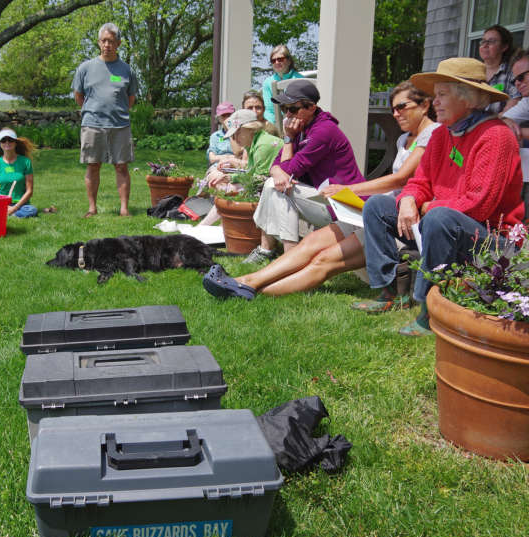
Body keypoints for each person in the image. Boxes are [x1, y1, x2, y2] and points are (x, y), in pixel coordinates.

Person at [202, 82, 440, 301]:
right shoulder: (405, 139)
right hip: (374, 212)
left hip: (387, 219)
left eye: (402, 107)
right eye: (393, 108)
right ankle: (243, 282)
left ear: (425, 105)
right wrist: (287, 142)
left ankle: (248, 289)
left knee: (323, 261)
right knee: (311, 242)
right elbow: (280, 167)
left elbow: (401, 179)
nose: (288, 116)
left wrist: (347, 188)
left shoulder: (433, 134)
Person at [353, 57, 524, 336]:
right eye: (436, 95)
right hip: (441, 223)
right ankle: (389, 292)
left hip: (492, 240)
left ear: (467, 98)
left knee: (439, 217)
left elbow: (479, 205)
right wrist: (409, 199)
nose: (435, 102)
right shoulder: (443, 134)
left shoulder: (495, 136)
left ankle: (427, 312)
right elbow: (420, 181)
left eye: (442, 95)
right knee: (377, 206)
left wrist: (428, 205)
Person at [249, 80, 365, 260]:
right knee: (274, 183)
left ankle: (288, 257)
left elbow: (288, 170)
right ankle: (273, 252)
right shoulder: (303, 128)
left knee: (275, 186)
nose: (287, 114)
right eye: (284, 109)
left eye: (293, 109)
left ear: (311, 107)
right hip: (324, 198)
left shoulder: (323, 131)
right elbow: (277, 164)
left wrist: (287, 138)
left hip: (342, 207)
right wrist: (277, 169)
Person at [72, 22, 138, 218]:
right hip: (92, 125)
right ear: (99, 43)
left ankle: (124, 209)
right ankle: (92, 208)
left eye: (111, 41)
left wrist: (117, 111)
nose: (107, 45)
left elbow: (131, 98)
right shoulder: (85, 68)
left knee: (121, 166)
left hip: (120, 126)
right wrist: (94, 110)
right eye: (103, 41)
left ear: (118, 43)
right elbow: (79, 96)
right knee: (93, 165)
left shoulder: (127, 70)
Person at [198, 91, 282, 227]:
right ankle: (207, 227)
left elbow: (258, 180)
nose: (235, 139)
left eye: (237, 133)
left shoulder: (263, 145)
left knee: (228, 190)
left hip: (276, 192)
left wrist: (230, 180)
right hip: (268, 188)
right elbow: (251, 171)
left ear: (250, 129)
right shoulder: (253, 142)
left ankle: (210, 228)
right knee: (227, 188)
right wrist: (229, 178)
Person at [0, 128, 37, 218]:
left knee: (32, 210)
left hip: (21, 205)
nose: (7, 142)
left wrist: (15, 208)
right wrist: (1, 205)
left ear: (15, 142)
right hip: (1, 204)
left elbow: (29, 191)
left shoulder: (25, 162)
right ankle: (7, 213)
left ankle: (7, 214)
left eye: (10, 140)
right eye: (3, 140)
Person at [479, 25, 520, 114]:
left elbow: (514, 101)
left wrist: (497, 121)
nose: (485, 45)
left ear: (504, 47)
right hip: (469, 125)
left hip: (498, 124)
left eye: (491, 41)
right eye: (483, 41)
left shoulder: (512, 72)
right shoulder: (472, 71)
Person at [262, 45, 303, 125]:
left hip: (297, 123)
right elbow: (269, 110)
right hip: (275, 124)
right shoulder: (267, 82)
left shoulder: (300, 79)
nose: (276, 62)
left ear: (289, 61)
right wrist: (273, 129)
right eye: (273, 60)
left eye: (280, 59)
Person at [499, 48, 529, 136]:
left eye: (521, 77)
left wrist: (518, 131)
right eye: (514, 81)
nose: (517, 84)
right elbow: (501, 119)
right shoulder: (527, 102)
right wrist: (505, 119)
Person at [207, 101, 245, 168]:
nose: (227, 118)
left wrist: (231, 131)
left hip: (236, 167)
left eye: (229, 115)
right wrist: (229, 157)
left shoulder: (242, 133)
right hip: (218, 167)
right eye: (223, 116)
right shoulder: (215, 136)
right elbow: (212, 158)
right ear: (219, 118)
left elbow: (240, 155)